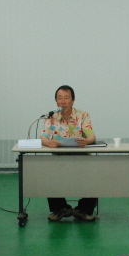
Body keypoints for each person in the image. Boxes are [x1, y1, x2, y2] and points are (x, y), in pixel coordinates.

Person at [40, 85, 98, 222]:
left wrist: (86, 141)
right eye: (60, 98)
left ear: (73, 100)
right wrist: (48, 143)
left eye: (66, 98)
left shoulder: (83, 115)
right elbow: (43, 136)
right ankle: (61, 209)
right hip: (59, 157)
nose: (63, 101)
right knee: (50, 175)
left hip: (81, 156)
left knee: (94, 174)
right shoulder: (51, 116)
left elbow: (92, 136)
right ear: (56, 101)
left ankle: (83, 210)